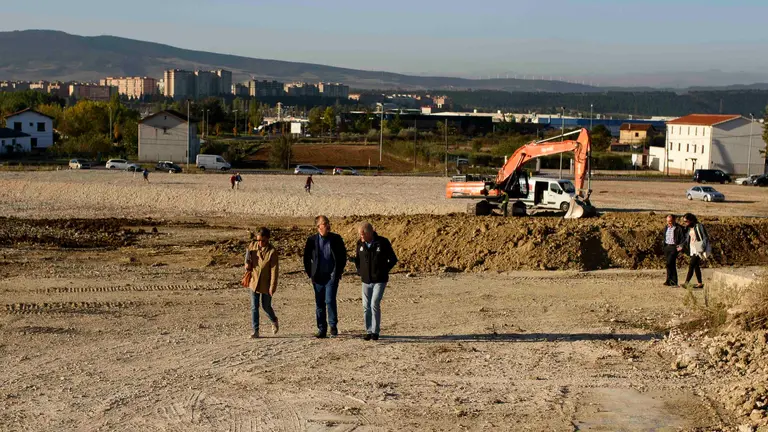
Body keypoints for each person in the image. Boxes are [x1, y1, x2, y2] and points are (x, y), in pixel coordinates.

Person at [303, 215, 347, 338]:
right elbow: (306, 259)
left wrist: (338, 272)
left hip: (331, 276)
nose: (328, 225)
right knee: (319, 303)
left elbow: (343, 256)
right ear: (318, 227)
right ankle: (322, 329)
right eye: (324, 223)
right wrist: (310, 274)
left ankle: (333, 326)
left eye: (328, 222)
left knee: (329, 300)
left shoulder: (336, 239)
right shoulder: (311, 240)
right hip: (317, 277)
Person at [353, 222, 398, 341]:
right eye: (360, 235)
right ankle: (368, 331)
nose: (361, 237)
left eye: (363, 234)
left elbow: (393, 259)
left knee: (374, 303)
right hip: (366, 280)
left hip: (380, 280)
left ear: (370, 233)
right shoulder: (360, 244)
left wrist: (384, 270)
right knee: (365, 306)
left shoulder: (382, 242)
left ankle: (375, 331)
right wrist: (360, 271)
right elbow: (357, 260)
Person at [244, 227, 280, 338]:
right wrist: (246, 264)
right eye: (258, 240)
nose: (260, 243)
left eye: (262, 240)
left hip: (266, 283)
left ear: (268, 239)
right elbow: (247, 258)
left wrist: (272, 287)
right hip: (254, 281)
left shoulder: (272, 252)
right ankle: (256, 330)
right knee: (254, 306)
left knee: (266, 306)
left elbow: (274, 271)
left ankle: (274, 320)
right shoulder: (252, 246)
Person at [679, 213, 709, 289]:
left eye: (686, 221)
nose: (685, 223)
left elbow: (705, 237)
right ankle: (700, 283)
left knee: (691, 265)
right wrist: (681, 245)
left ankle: (686, 283)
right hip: (692, 248)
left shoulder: (699, 226)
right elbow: (687, 239)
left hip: (698, 248)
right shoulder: (689, 228)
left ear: (691, 220)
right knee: (696, 266)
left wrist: (703, 247)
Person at [661, 214, 685, 287]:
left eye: (670, 221)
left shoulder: (679, 228)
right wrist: (664, 246)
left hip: (674, 247)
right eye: (668, 221)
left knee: (670, 263)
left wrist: (680, 246)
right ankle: (668, 280)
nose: (669, 223)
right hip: (667, 247)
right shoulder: (666, 227)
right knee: (669, 264)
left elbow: (682, 239)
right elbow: (664, 237)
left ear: (674, 220)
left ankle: (674, 281)